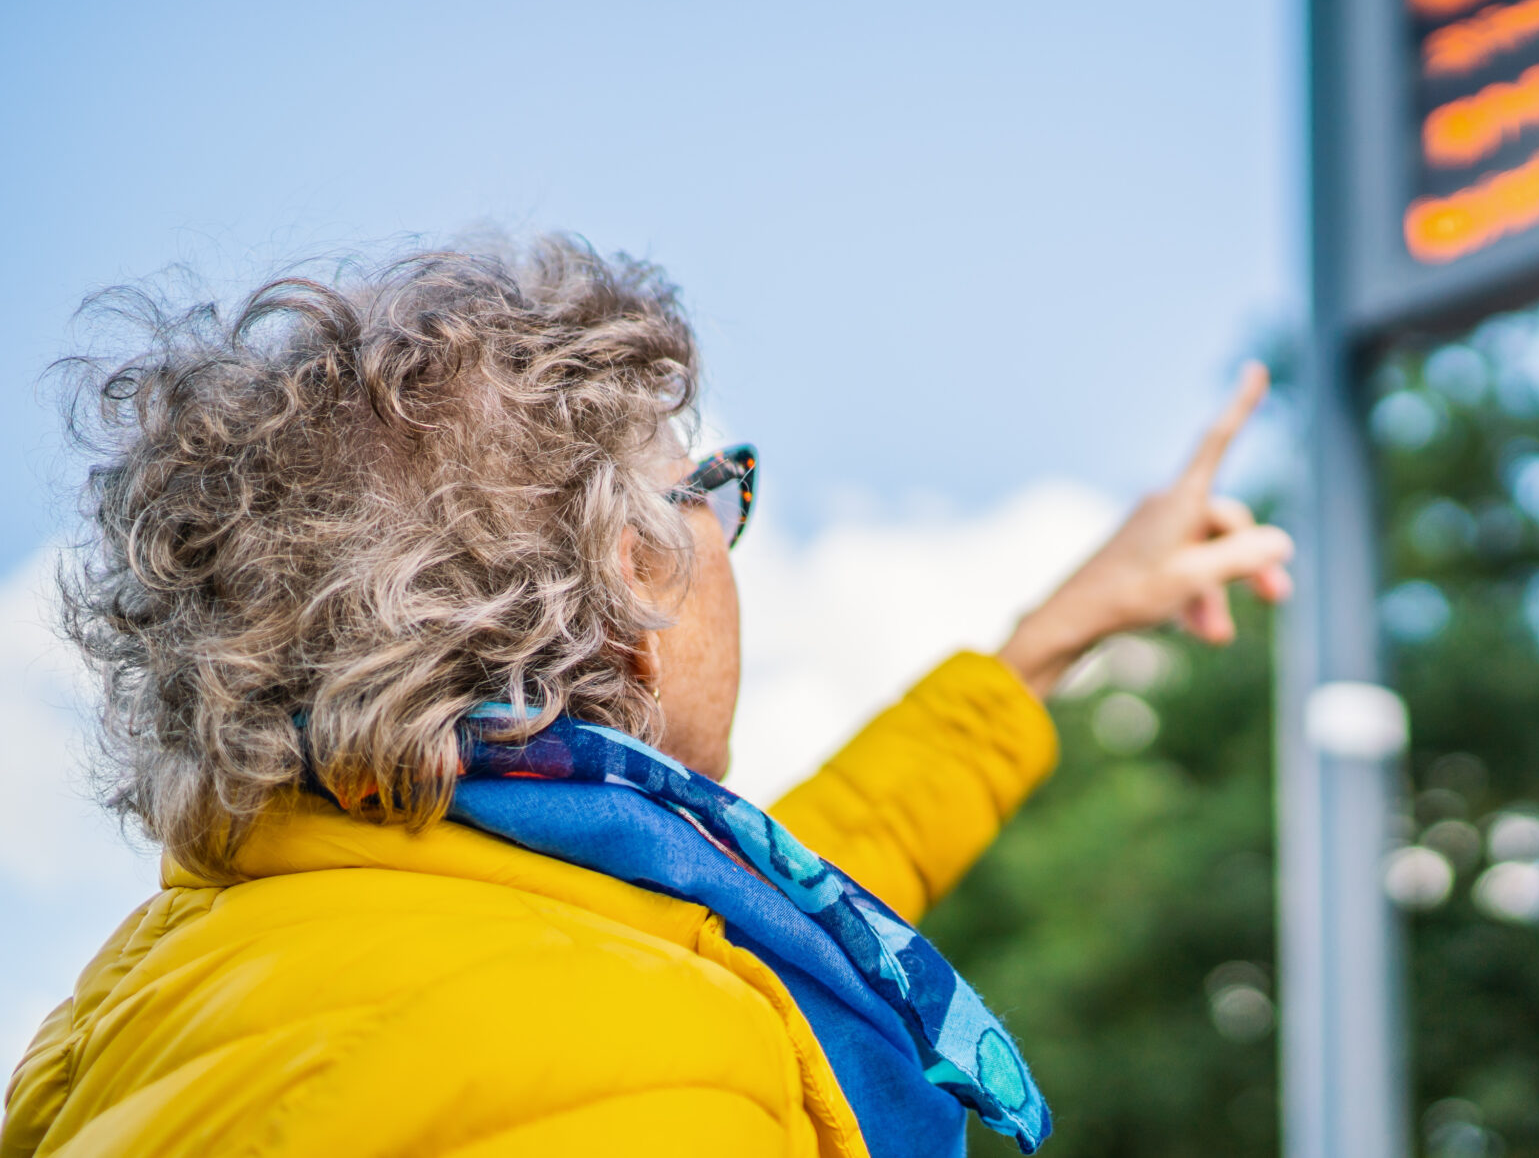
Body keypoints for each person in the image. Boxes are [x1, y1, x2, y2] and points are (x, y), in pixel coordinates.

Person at [2, 237, 1293, 1158]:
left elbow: (789, 887)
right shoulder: (651, 1051)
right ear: (630, 571)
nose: (730, 527)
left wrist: (1052, 636)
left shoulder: (167, 978)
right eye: (708, 487)